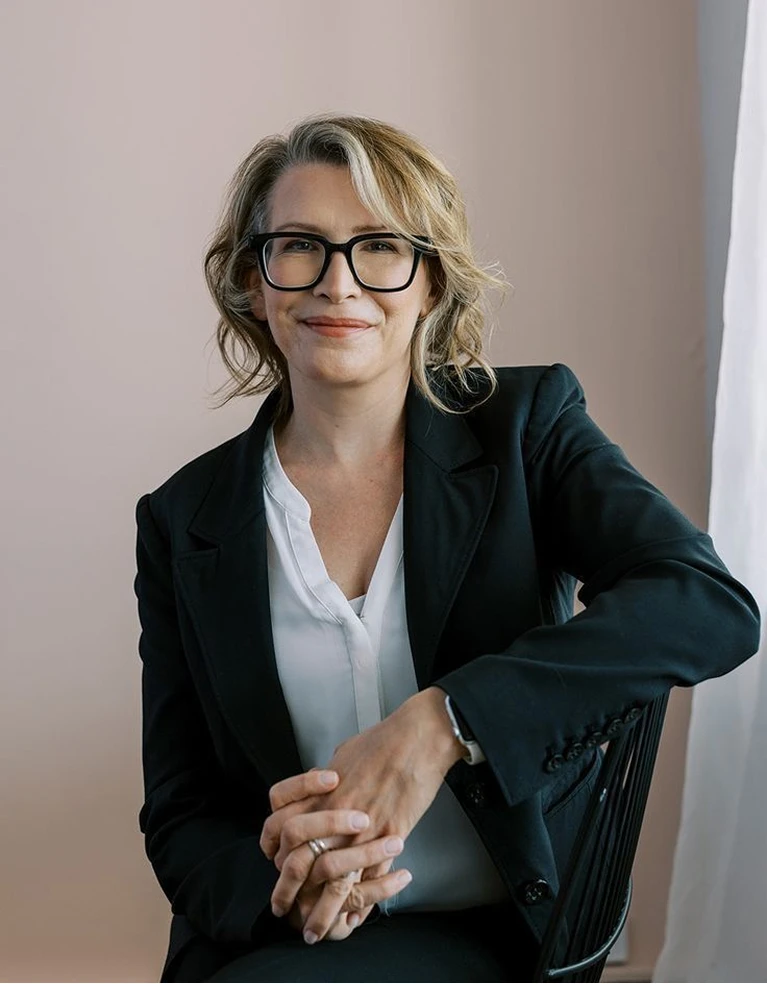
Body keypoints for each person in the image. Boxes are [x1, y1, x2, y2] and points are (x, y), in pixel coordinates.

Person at [133, 112, 761, 983]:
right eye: (300, 246)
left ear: (429, 282)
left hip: (488, 934)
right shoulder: (183, 517)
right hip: (278, 940)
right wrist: (281, 885)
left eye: (379, 247)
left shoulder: (526, 428)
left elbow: (705, 603)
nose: (338, 284)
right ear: (253, 280)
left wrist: (446, 721)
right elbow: (182, 811)